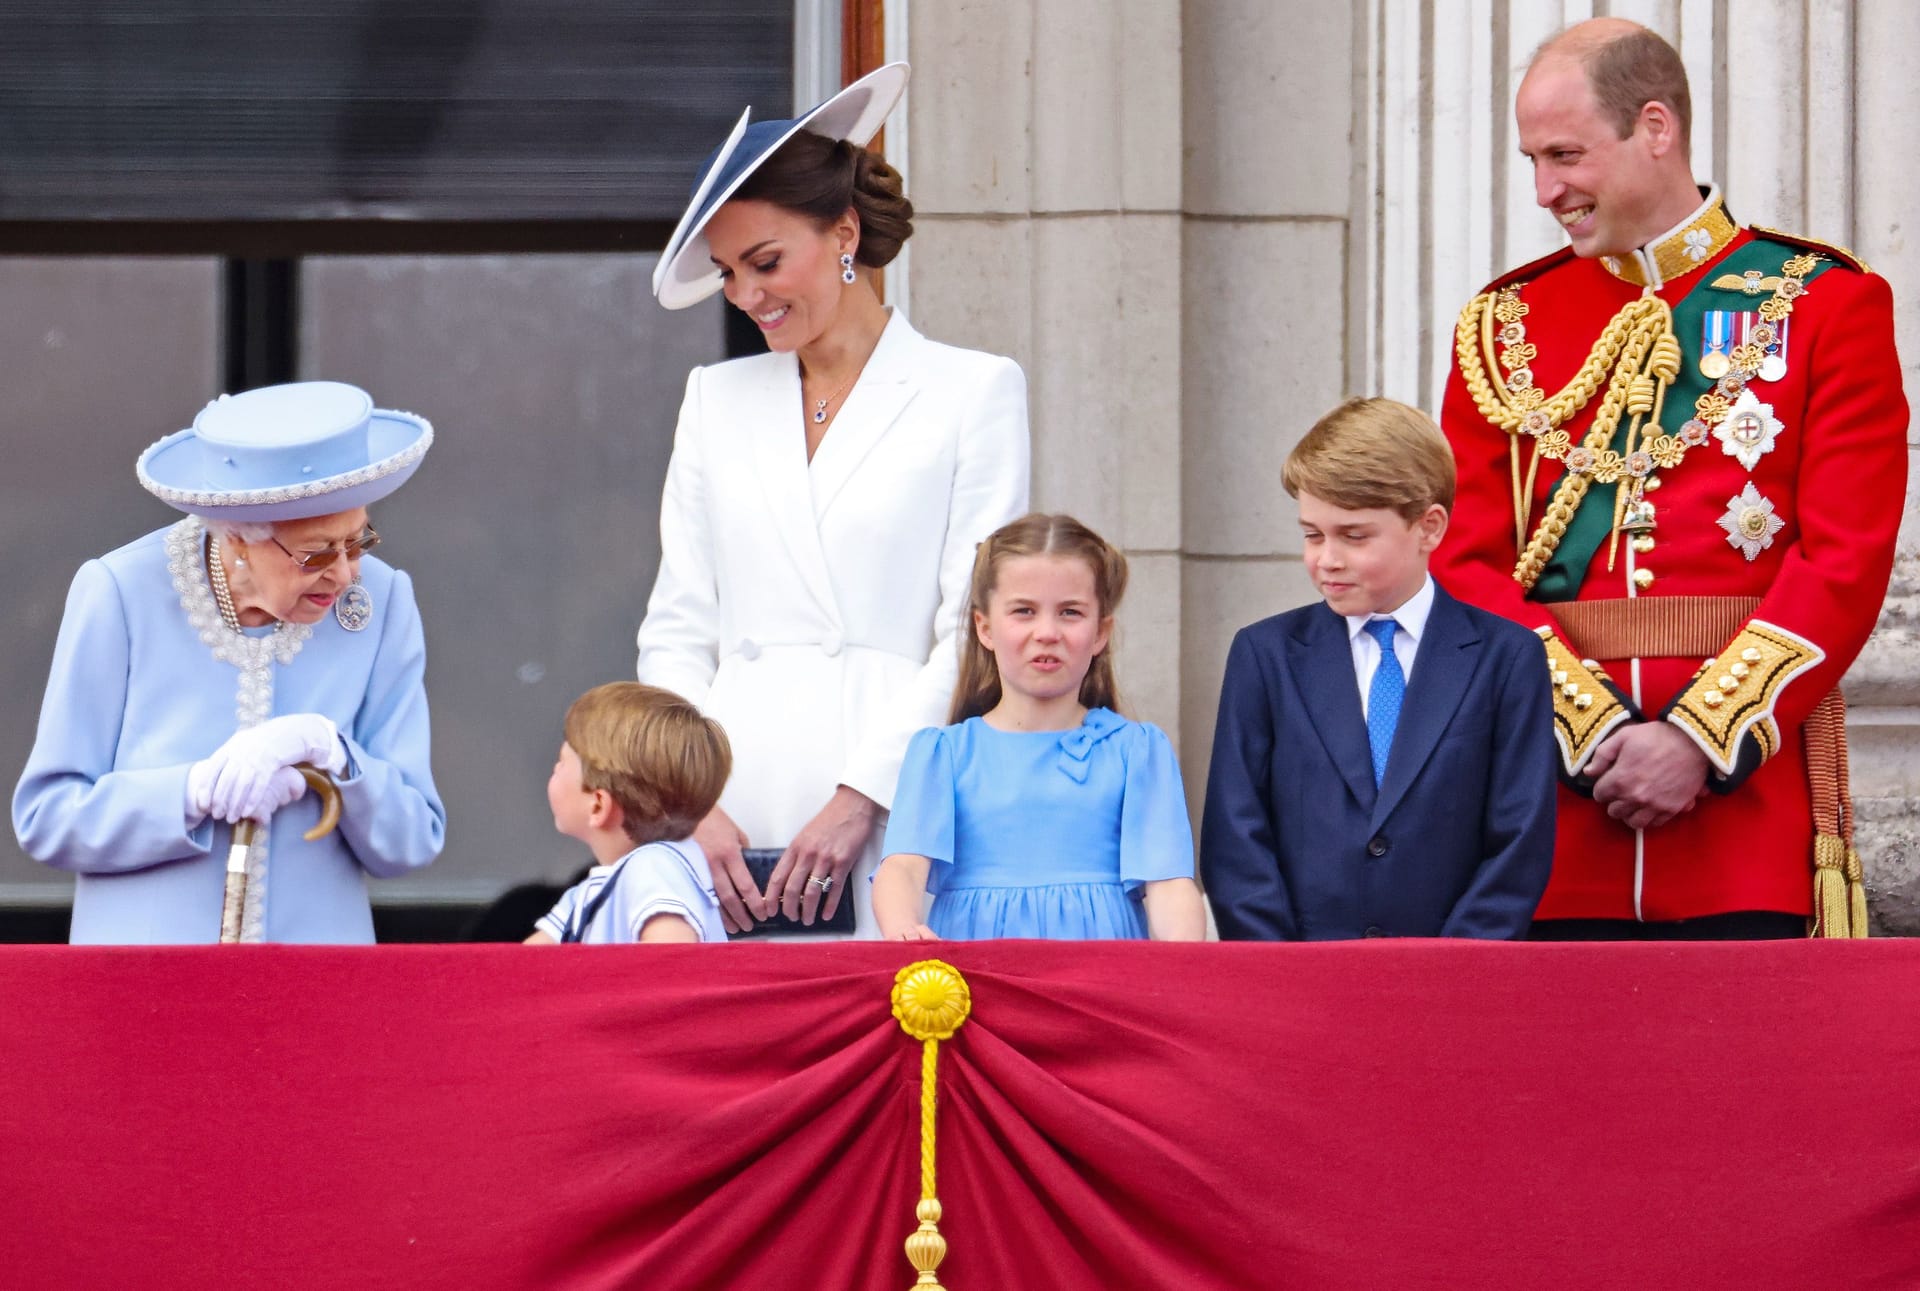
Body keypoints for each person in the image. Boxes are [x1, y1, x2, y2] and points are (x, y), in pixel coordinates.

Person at [1432, 19, 1908, 939]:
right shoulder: (1502, 327)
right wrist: (1595, 732)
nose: (1545, 190)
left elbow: (1845, 559)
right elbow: (1461, 557)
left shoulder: (1824, 303)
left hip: (1746, 819)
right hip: (1553, 819)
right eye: (1532, 159)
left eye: (1565, 155)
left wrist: (1700, 737)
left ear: (1656, 127)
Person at [639, 62, 1030, 940]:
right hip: (725, 817)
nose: (746, 296)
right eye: (728, 271)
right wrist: (688, 801)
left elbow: (970, 626)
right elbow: (677, 627)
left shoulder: (973, 391)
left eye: (766, 261)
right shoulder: (714, 396)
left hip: (896, 800)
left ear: (845, 230)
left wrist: (865, 795)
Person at [13, 381, 445, 943]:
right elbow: (48, 819)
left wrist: (335, 754)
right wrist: (191, 793)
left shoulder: (382, 603)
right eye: (317, 552)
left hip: (316, 995)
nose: (346, 574)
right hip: (145, 991)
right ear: (238, 538)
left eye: (359, 540)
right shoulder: (120, 592)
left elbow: (413, 839)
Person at [1201, 398, 1555, 940]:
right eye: (1313, 535)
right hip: (1300, 982)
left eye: (1354, 536)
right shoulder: (1266, 654)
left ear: (1429, 528)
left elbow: (1518, 840)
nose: (1327, 559)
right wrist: (1278, 970)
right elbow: (1236, 835)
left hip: (1451, 985)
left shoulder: (1506, 657)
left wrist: (1453, 969)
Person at [871, 513, 1206, 942]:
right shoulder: (944, 753)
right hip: (976, 980)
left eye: (1070, 612)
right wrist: (904, 933)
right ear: (985, 627)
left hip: (1099, 978)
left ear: (1101, 632)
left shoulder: (1138, 750)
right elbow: (902, 867)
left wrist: (1183, 975)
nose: (1046, 632)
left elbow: (1170, 885)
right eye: (1024, 611)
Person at [525, 682, 732, 945]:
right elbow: (523, 964)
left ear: (598, 806)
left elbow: (671, 954)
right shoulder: (589, 893)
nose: (553, 769)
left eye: (562, 762)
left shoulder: (653, 867)